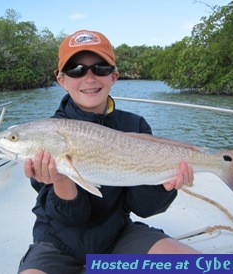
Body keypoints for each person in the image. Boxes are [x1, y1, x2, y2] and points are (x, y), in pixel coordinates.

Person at [18, 30, 199, 274]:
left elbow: (144, 208)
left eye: (100, 68)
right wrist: (61, 178)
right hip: (57, 244)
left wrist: (163, 185)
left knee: (207, 267)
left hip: (118, 237)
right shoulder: (46, 135)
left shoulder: (135, 126)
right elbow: (72, 219)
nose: (89, 77)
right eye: (76, 69)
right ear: (61, 79)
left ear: (113, 76)